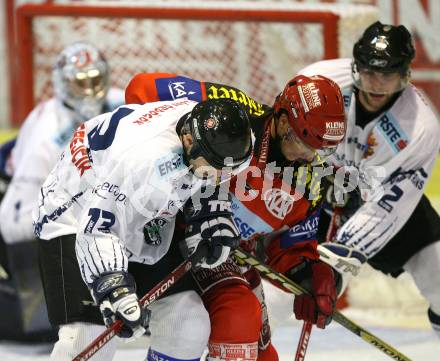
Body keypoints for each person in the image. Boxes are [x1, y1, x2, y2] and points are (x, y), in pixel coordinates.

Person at [125, 72, 347, 361]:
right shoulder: (235, 116)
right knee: (236, 315)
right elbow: (141, 88)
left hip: (225, 252)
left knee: (258, 352)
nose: (314, 158)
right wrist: (163, 158)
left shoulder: (311, 181)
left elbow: (288, 245)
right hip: (166, 232)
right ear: (282, 123)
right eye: (308, 145)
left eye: (325, 149)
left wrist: (308, 274)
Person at [34, 97, 253, 361]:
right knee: (88, 340)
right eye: (212, 168)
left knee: (187, 324)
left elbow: (215, 177)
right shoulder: (143, 161)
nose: (219, 175)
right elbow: (97, 228)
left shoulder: (228, 140)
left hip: (144, 211)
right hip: (75, 211)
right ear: (188, 141)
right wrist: (115, 289)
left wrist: (211, 213)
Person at [298, 21, 440, 338]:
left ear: (404, 74)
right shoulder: (317, 82)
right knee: (277, 293)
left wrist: (342, 255)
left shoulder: (421, 127)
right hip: (314, 195)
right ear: (356, 67)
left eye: (387, 75)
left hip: (383, 203)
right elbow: (283, 139)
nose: (376, 84)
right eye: (369, 72)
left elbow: (391, 204)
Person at [0, 41, 124, 341]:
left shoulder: (122, 103)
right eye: (79, 82)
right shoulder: (46, 137)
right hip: (20, 210)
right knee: (46, 328)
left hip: (78, 204)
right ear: (61, 83)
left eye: (95, 80)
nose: (88, 89)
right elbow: (14, 225)